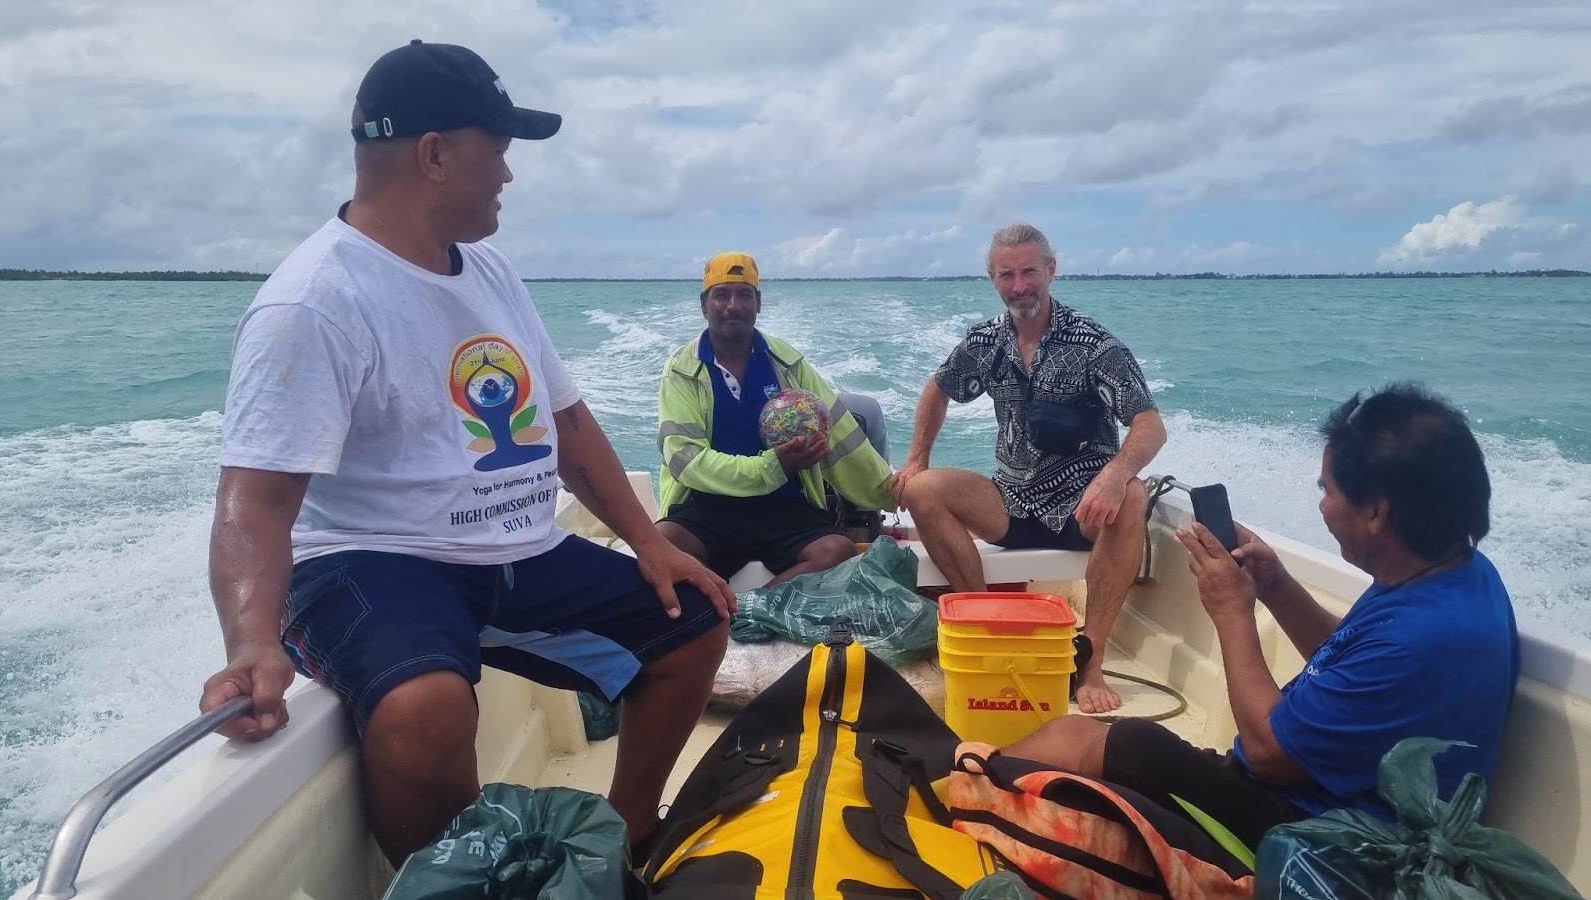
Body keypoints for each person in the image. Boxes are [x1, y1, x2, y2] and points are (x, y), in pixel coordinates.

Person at [197, 40, 734, 867]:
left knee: (692, 623)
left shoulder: (489, 271)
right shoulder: (314, 301)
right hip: (374, 561)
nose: (510, 176)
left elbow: (567, 424)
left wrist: (650, 544)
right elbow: (254, 501)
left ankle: (628, 837)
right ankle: (452, 884)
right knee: (425, 707)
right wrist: (251, 643)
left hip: (517, 549)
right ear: (436, 153)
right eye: (500, 151)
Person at [1003, 382, 1519, 851]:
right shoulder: (1453, 575)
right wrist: (1277, 588)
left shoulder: (1420, 639)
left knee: (1109, 744)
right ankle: (972, 775)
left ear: (1377, 512)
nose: (1322, 508)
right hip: (1318, 795)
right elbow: (1354, 659)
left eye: (1328, 491)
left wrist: (1231, 610)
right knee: (1093, 740)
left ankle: (963, 786)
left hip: (1319, 839)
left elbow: (1268, 752)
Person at [890, 223, 1167, 713]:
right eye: (1007, 274)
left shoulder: (1093, 344)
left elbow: (1149, 424)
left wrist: (1115, 473)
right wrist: (917, 459)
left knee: (1134, 497)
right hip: (1012, 502)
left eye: (1029, 272)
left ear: (1051, 270)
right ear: (993, 279)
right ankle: (986, 624)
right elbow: (939, 386)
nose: (1020, 286)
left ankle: (1090, 661)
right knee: (926, 490)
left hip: (1085, 508)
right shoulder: (986, 342)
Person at [656, 252, 895, 586]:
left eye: (744, 295)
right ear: (704, 304)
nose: (733, 305)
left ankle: (749, 609)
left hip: (784, 508)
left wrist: (893, 492)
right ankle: (740, 604)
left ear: (758, 303)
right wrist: (771, 467)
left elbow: (842, 439)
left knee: (837, 552)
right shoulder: (682, 370)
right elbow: (685, 460)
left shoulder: (788, 363)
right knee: (661, 545)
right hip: (708, 508)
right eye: (721, 294)